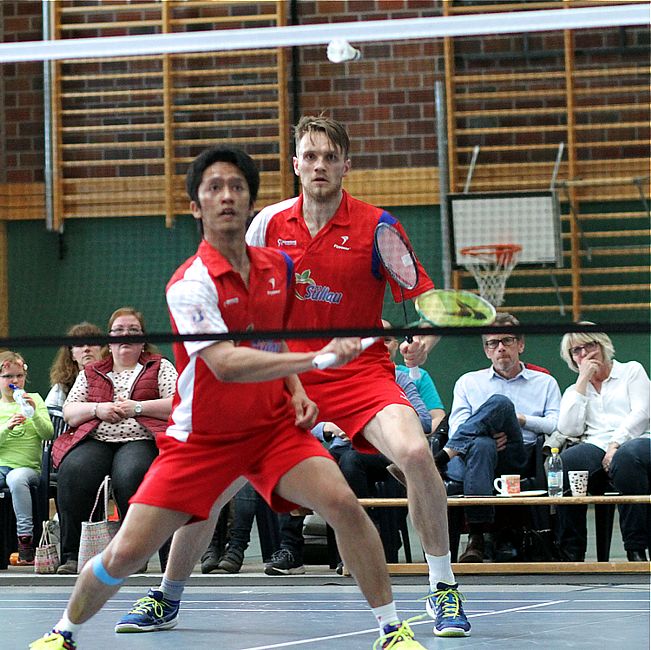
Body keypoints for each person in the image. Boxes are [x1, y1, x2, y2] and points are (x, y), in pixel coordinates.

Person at [31, 145, 427, 650]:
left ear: (250, 202)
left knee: (344, 507)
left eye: (236, 187)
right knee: (126, 553)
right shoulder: (190, 285)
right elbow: (226, 362)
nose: (226, 197)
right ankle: (63, 632)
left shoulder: (276, 267)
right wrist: (317, 361)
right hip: (203, 439)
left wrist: (297, 390)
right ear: (196, 206)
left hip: (274, 431)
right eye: (213, 188)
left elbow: (273, 336)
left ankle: (392, 629)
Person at [116, 115, 470, 640]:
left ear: (346, 165)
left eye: (330, 156)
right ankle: (167, 596)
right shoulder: (269, 224)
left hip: (358, 371)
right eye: (311, 155)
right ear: (296, 165)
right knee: (211, 487)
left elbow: (422, 301)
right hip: (286, 374)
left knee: (416, 454)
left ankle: (443, 588)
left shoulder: (378, 226)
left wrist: (423, 338)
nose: (320, 164)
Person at [52, 307, 178, 575]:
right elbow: (70, 411)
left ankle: (135, 554)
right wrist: (98, 409)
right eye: (119, 330)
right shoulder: (92, 371)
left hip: (140, 439)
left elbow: (177, 404)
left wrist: (138, 408)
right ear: (109, 339)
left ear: (143, 338)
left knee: (132, 473)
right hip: (97, 439)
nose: (126, 335)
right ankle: (73, 554)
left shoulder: (159, 366)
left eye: (133, 330)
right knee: (74, 470)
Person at [439, 312, 561, 563]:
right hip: (476, 454)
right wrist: (484, 435)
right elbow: (457, 424)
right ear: (486, 350)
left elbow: (557, 424)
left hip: (519, 455)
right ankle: (477, 538)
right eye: (493, 343)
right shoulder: (468, 382)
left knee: (501, 404)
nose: (501, 348)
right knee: (483, 445)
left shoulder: (544, 382)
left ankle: (440, 459)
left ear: (521, 344)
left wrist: (520, 419)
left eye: (507, 340)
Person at [555, 326, 650, 562]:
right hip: (597, 446)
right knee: (567, 463)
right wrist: (582, 380)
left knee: (627, 457)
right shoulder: (575, 389)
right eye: (576, 350)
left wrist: (616, 444)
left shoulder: (631, 371)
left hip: (639, 441)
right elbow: (568, 428)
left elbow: (642, 413)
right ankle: (571, 552)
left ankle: (635, 548)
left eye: (590, 345)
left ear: (602, 346)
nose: (585, 353)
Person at [0, 351, 54, 565]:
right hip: (2, 466)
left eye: (19, 376)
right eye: (8, 377)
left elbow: (48, 434)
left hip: (28, 469)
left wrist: (34, 413)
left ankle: (25, 542)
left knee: (16, 479)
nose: (14, 381)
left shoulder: (36, 400)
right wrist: (6, 428)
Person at [45, 321, 105, 419]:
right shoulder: (62, 387)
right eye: (80, 345)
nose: (86, 349)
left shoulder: (114, 378)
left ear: (102, 349)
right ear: (72, 354)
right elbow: (50, 418)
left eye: (92, 343)